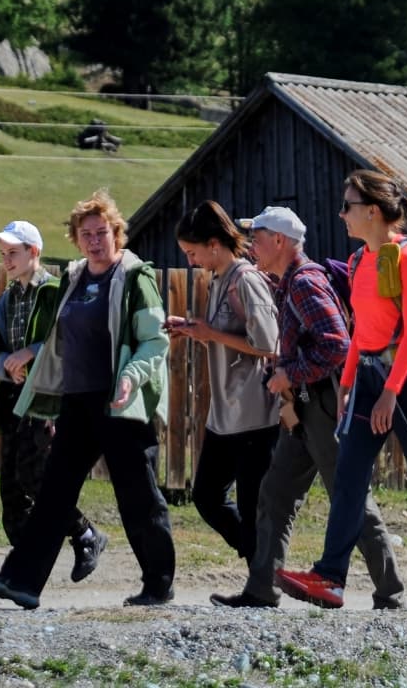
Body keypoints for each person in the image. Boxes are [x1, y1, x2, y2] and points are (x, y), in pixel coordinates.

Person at [276, 174, 407, 611]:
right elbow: (361, 333)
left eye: (347, 206)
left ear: (373, 211)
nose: (341, 214)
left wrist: (390, 393)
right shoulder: (361, 260)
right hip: (367, 379)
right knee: (349, 474)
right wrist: (347, 384)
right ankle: (330, 577)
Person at [0, 193, 176, 610]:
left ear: (116, 233)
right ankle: (22, 580)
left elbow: (154, 342)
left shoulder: (136, 278)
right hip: (78, 402)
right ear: (76, 240)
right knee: (53, 491)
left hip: (121, 402)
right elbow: (55, 342)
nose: (94, 241)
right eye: (86, 235)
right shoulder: (74, 278)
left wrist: (131, 378)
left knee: (137, 494)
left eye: (101, 232)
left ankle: (158, 583)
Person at [210, 206, 405, 610]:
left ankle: (391, 593)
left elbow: (337, 346)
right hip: (305, 407)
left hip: (323, 405)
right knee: (275, 493)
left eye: (258, 236)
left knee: (350, 498)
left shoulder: (303, 283)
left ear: (279, 241)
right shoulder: (286, 281)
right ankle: (262, 589)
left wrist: (289, 375)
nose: (251, 245)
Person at [0, 220, 107, 580]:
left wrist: (32, 351)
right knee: (11, 492)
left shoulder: (54, 292)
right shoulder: (7, 300)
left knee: (36, 478)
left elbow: (68, 340)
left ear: (33, 252)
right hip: (14, 399)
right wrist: (5, 363)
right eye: (3, 254)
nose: (6, 260)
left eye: (13, 253)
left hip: (47, 399)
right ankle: (25, 571)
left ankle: (83, 536)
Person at [165, 201, 280, 563]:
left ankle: (262, 581)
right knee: (206, 496)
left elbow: (268, 344)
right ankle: (261, 567)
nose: (190, 261)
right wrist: (192, 329)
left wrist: (210, 333)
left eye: (192, 252)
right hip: (226, 413)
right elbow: (225, 334)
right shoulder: (219, 281)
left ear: (214, 244)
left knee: (249, 504)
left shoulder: (246, 280)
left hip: (255, 413)